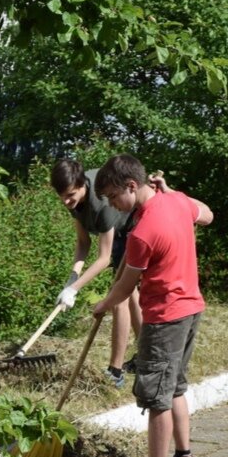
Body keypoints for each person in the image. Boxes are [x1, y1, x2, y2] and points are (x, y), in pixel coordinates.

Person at [92, 153, 214, 457]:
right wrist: (172, 191)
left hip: (165, 318)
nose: (114, 206)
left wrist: (102, 305)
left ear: (132, 185)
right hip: (192, 309)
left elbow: (126, 286)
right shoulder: (175, 202)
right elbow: (207, 214)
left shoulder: (142, 232)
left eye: (115, 197)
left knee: (156, 397)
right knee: (175, 386)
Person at [50, 158, 142, 388]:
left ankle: (116, 370)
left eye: (70, 195)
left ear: (82, 186)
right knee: (131, 296)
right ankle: (146, 356)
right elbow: (83, 244)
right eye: (61, 196)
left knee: (120, 297)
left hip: (132, 227)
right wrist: (71, 279)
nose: (66, 201)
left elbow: (104, 258)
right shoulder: (74, 201)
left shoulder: (101, 204)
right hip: (118, 233)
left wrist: (74, 289)